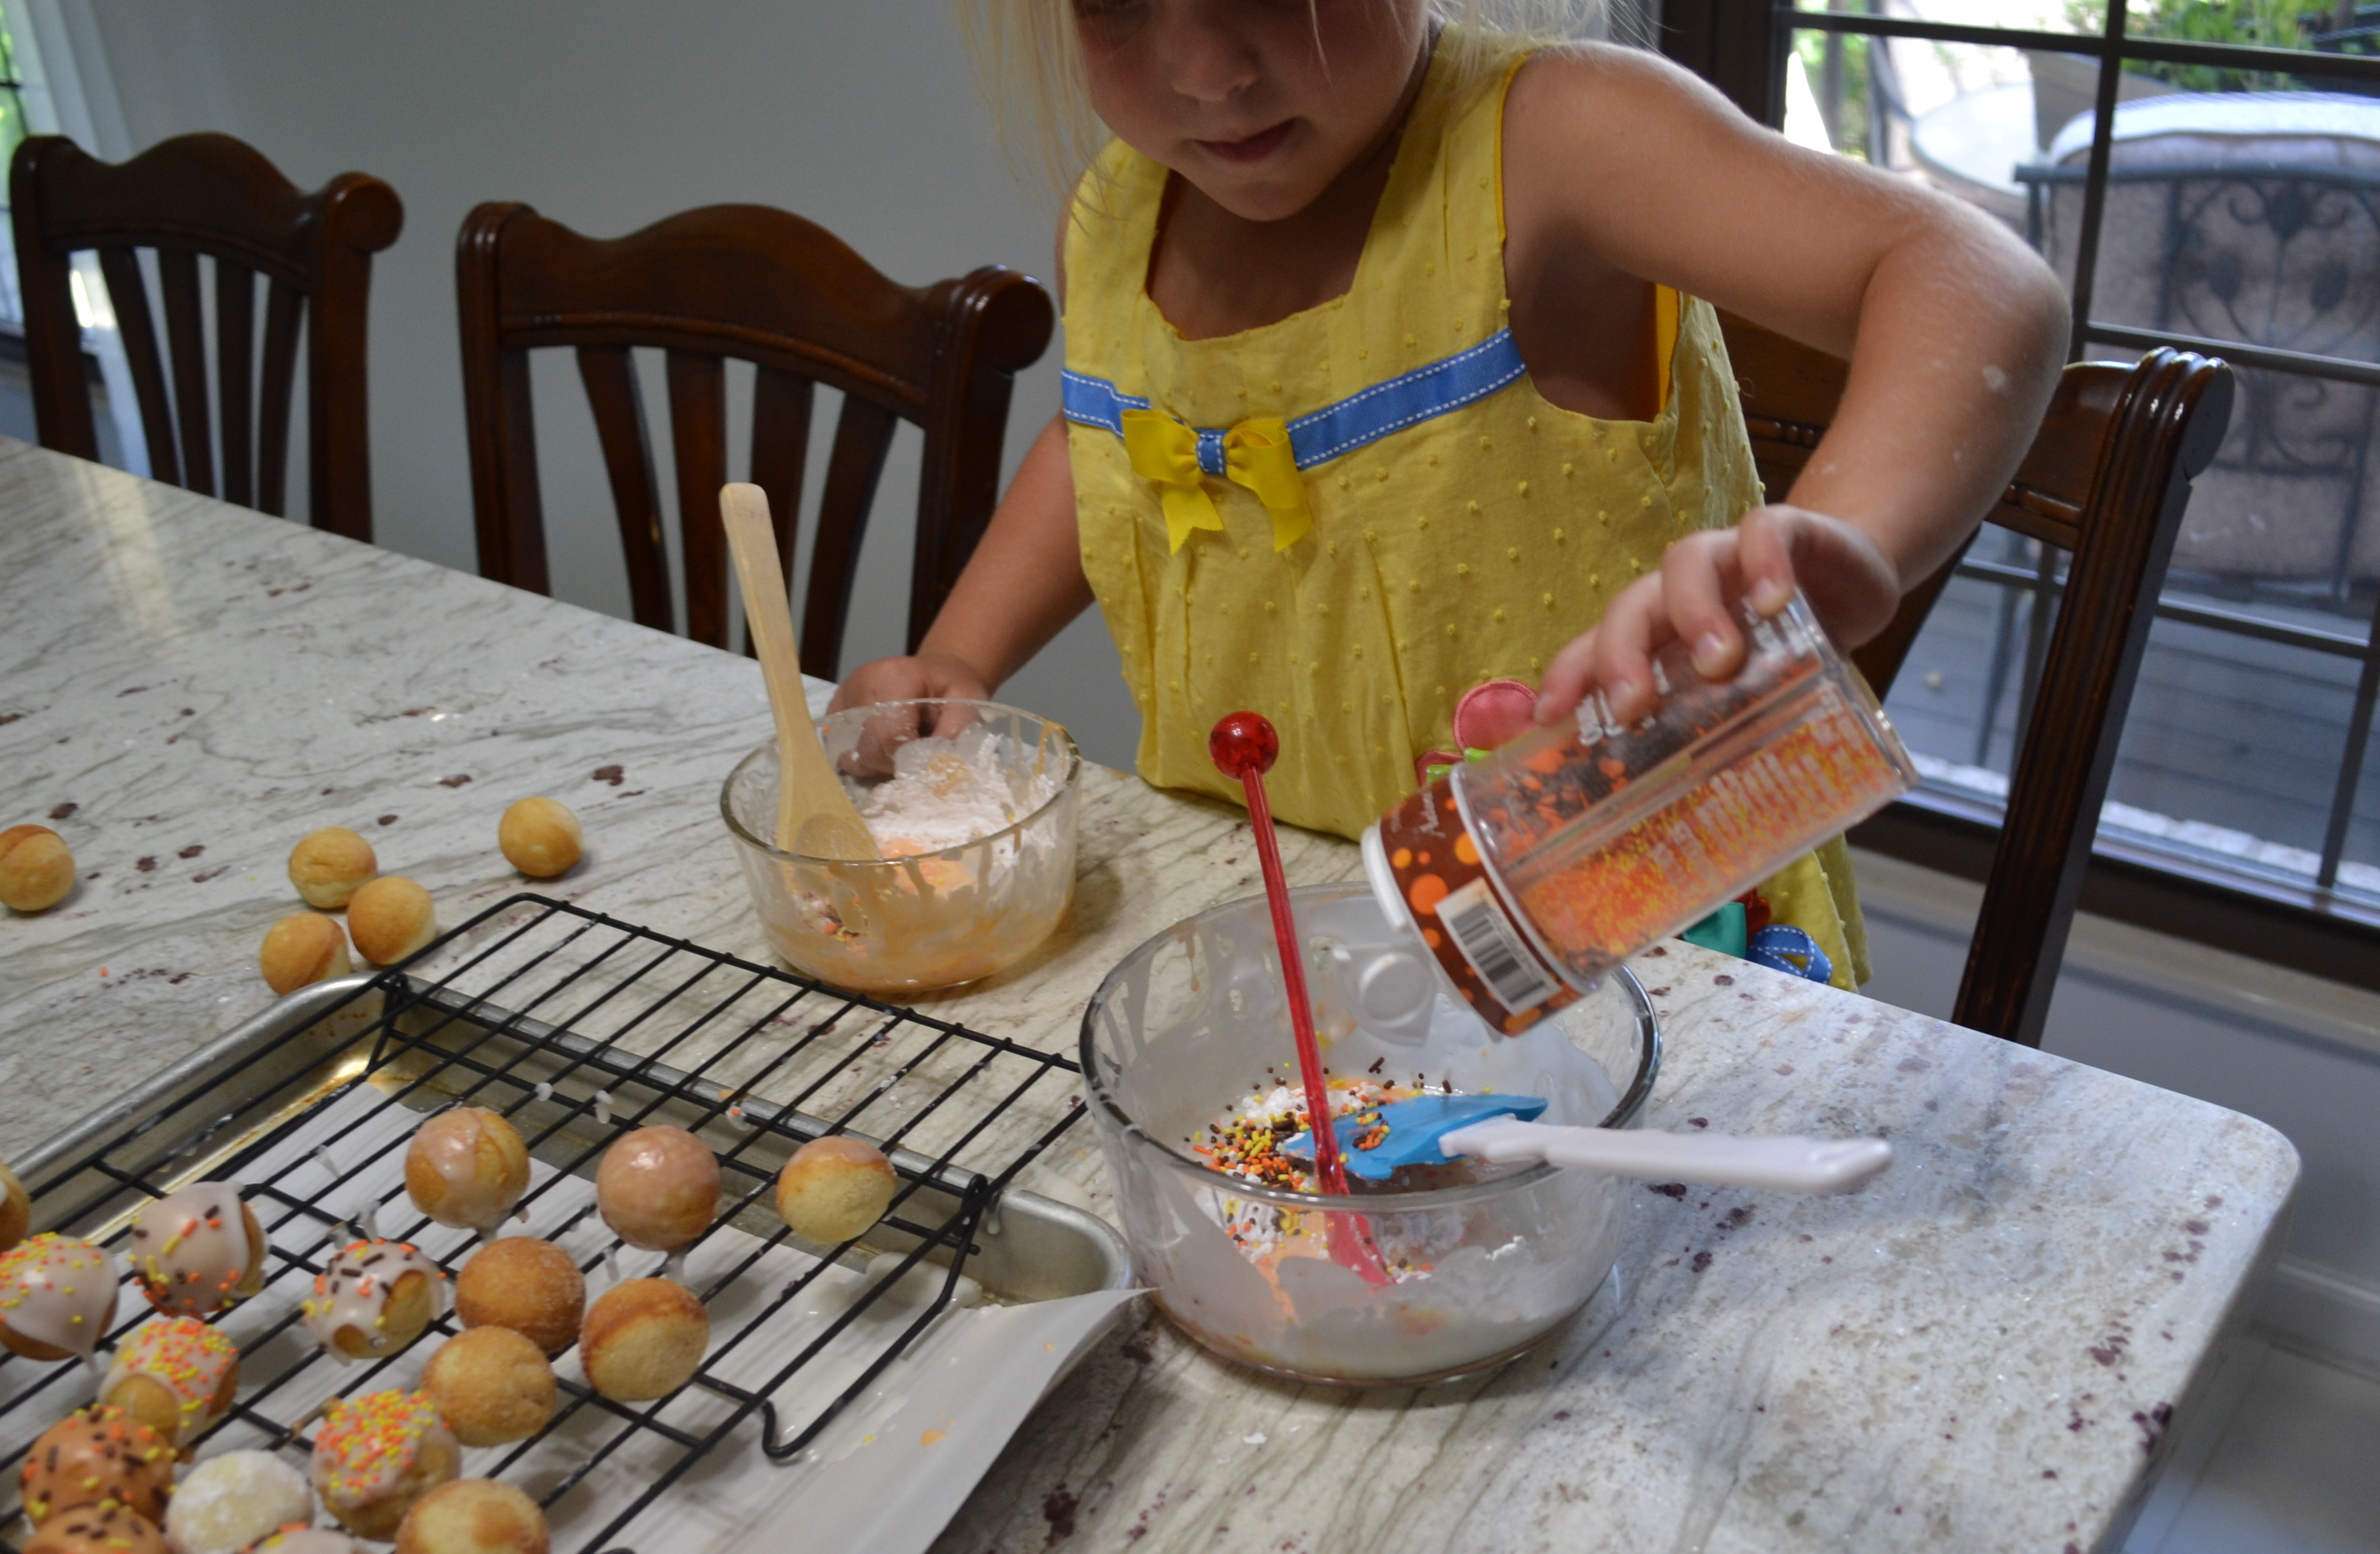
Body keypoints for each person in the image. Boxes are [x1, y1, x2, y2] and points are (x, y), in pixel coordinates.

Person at [830, 0, 2067, 990]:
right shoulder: (1113, 212)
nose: (1208, 67)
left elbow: (1972, 273)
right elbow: (1106, 432)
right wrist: (957, 653)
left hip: (1618, 930)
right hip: (1292, 939)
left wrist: (1841, 533)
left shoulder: (1553, 144)